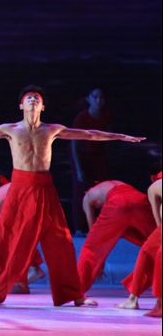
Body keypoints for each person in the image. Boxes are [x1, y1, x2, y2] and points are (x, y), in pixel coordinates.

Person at [0, 85, 144, 307]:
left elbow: (89, 134)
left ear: (42, 106)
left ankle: (75, 295)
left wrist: (120, 136)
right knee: (4, 239)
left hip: (44, 188)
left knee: (61, 242)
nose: (33, 100)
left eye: (37, 98)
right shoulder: (10, 129)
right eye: (29, 98)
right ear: (21, 105)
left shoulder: (52, 129)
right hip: (20, 189)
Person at [77, 179, 156, 292]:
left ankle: (78, 290)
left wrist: (99, 263)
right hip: (138, 200)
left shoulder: (87, 196)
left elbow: (93, 234)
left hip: (117, 203)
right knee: (157, 243)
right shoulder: (113, 183)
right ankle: (135, 287)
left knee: (91, 247)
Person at [117, 175, 163, 317]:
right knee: (151, 253)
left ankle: (135, 299)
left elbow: (157, 218)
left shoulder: (154, 187)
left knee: (149, 253)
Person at [69, 87, 112, 232]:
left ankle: (99, 226)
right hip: (82, 156)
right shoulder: (81, 118)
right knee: (81, 191)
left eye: (101, 97)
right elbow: (74, 144)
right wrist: (79, 168)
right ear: (88, 99)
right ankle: (80, 228)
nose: (98, 100)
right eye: (95, 97)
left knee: (103, 189)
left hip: (98, 156)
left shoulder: (106, 116)